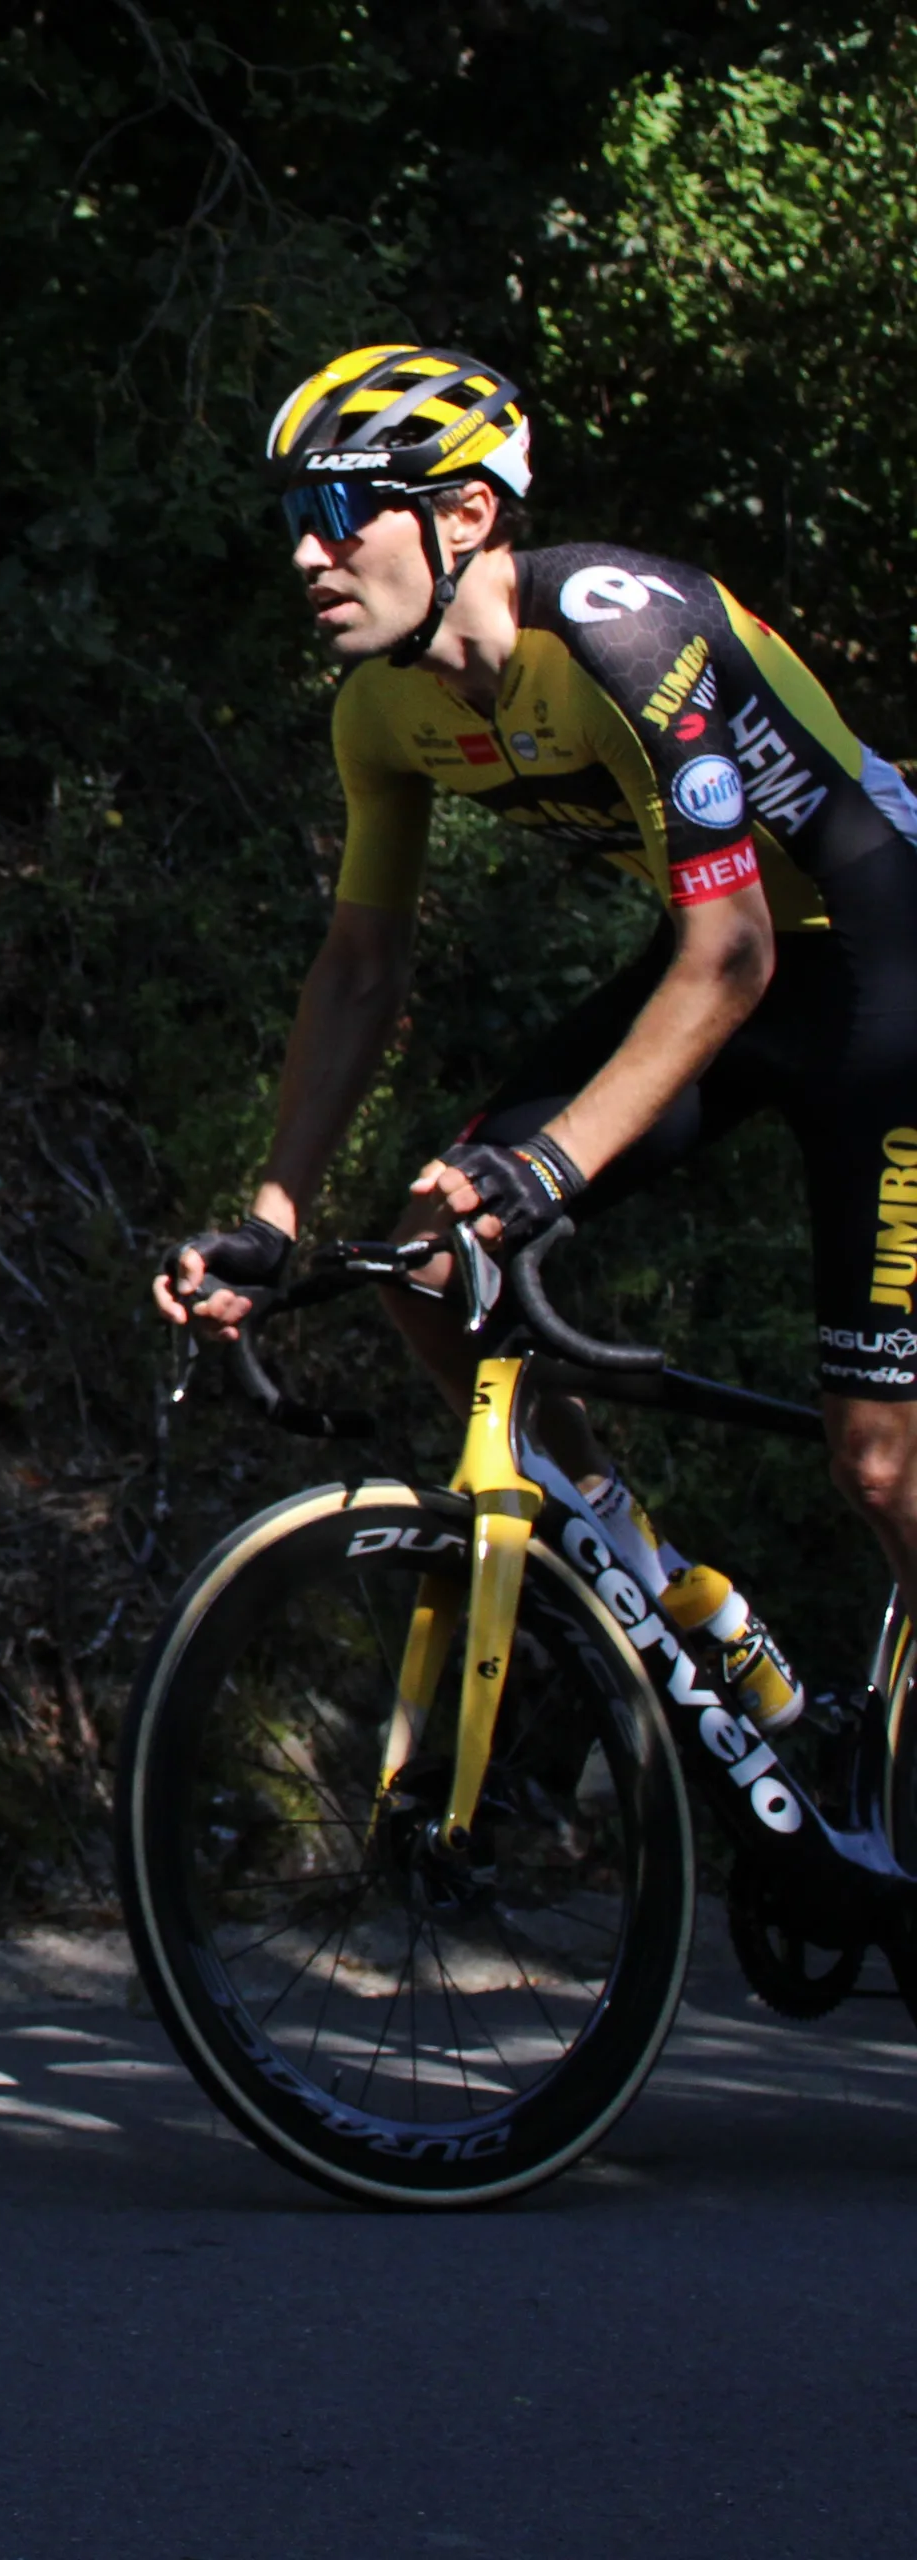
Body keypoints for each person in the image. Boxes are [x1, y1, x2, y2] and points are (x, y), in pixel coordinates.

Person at [159, 342, 917, 1709]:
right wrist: (274, 1214)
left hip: (885, 975)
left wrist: (552, 1165)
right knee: (429, 1262)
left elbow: (733, 952)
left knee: (880, 1465)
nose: (306, 558)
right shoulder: (384, 709)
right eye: (293, 522)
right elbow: (359, 967)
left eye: (339, 514)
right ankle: (668, 1595)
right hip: (737, 972)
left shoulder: (625, 631)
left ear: (465, 515)